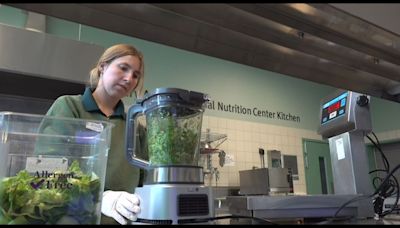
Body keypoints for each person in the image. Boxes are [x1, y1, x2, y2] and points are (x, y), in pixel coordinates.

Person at [43, 43, 146, 225]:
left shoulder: (135, 126)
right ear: (102, 66)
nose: (129, 78)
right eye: (123, 68)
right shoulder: (69, 107)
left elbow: (145, 183)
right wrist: (99, 198)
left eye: (136, 75)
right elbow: (48, 171)